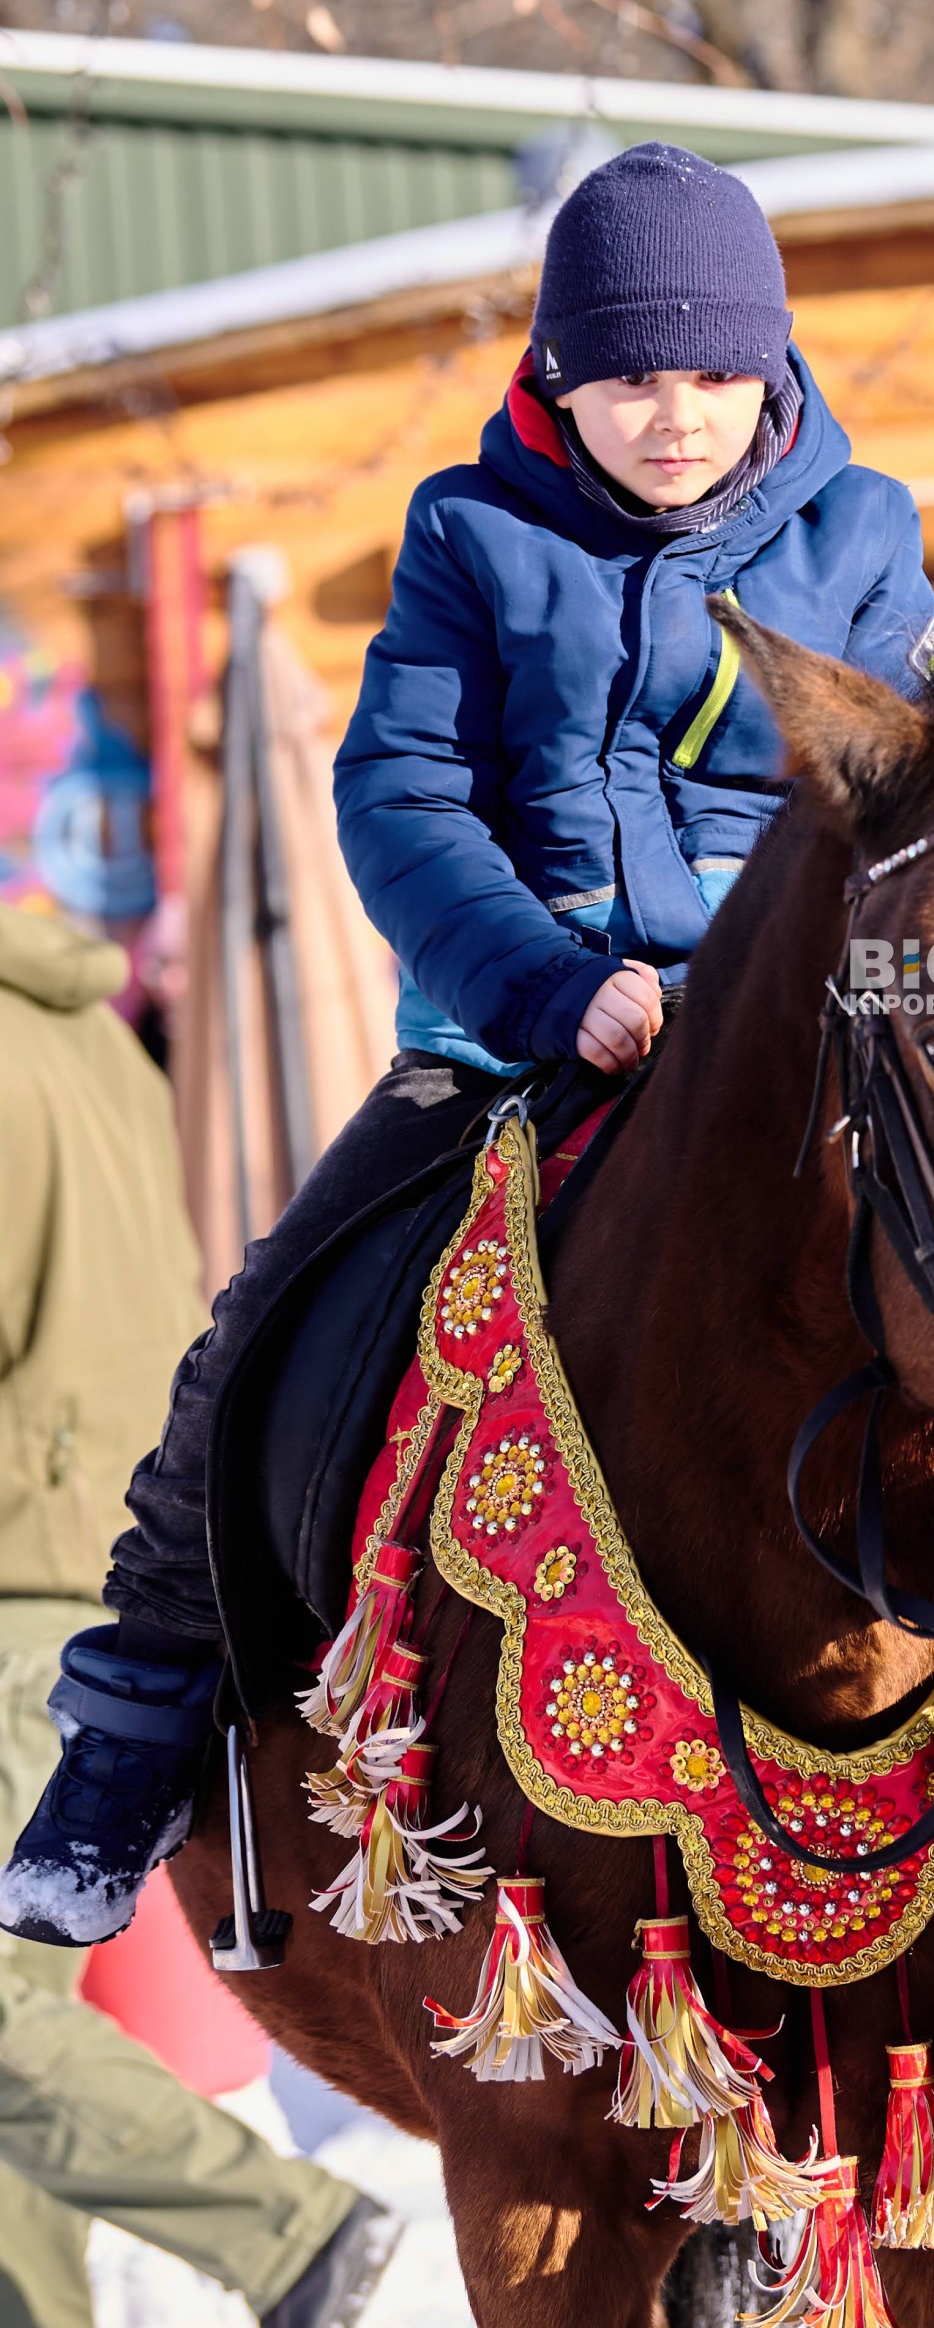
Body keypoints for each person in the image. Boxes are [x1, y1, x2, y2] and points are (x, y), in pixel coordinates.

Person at [1, 142, 934, 1950]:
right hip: (513, 1036)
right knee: (263, 1328)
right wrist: (545, 985)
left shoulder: (864, 531)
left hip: (788, 1036)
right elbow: (404, 799)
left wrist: (798, 987)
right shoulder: (468, 532)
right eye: (630, 377)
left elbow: (895, 799)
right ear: (557, 374)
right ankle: (128, 1741)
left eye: (715, 372)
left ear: (773, 365)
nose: (676, 417)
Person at [0, 900, 396, 2328]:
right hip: (112, 1545)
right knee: (25, 2017)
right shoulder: (95, 1039)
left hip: (18, 1572)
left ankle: (289, 2232)